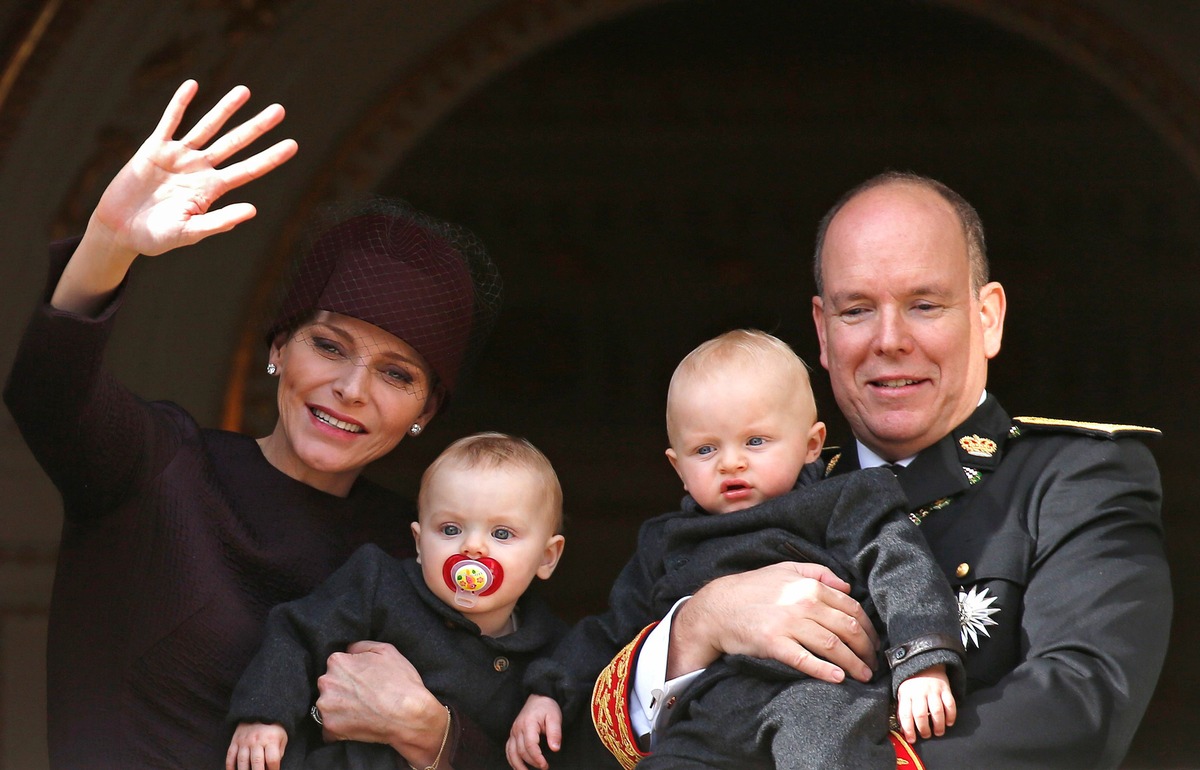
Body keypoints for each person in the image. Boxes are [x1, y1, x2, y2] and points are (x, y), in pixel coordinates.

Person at [590, 172, 1171, 769]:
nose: (888, 340)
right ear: (821, 330)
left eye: (924, 305)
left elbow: (1081, 708)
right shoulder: (761, 487)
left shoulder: (1079, 476)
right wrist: (701, 625)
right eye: (857, 310)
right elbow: (569, 728)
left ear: (988, 317)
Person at [3, 80, 502, 770]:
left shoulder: (425, 553)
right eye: (328, 346)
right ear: (277, 347)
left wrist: (430, 732)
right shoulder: (162, 469)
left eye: (397, 374)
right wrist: (107, 244)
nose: (351, 389)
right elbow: (48, 394)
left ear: (427, 411)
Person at [510, 330, 965, 770]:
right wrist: (550, 691)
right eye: (706, 449)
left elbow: (902, 570)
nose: (731, 461)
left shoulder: (843, 503)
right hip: (709, 709)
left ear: (811, 445)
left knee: (824, 748)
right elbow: (611, 632)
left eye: (755, 441)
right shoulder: (668, 541)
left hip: (819, 694)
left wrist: (922, 662)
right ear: (679, 468)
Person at [226, 432, 567, 770]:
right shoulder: (378, 584)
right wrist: (265, 714)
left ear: (546, 557)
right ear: (419, 543)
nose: (472, 547)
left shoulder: (553, 651)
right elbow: (298, 634)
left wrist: (547, 697)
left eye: (502, 533)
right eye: (450, 529)